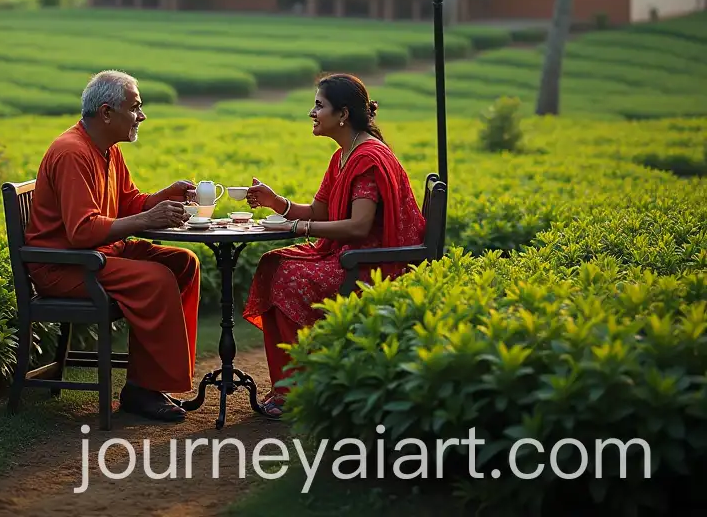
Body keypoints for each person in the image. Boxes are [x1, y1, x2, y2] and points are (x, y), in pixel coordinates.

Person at [243, 73, 426, 419]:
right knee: (273, 264)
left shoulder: (367, 158)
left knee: (286, 276)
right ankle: (294, 385)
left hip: (369, 264)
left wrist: (300, 227)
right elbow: (319, 211)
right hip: (345, 255)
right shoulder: (343, 155)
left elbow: (358, 227)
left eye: (318, 105)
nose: (312, 112)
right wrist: (275, 202)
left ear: (342, 114)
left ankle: (301, 390)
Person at [25, 70, 200, 422]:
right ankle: (141, 390)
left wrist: (162, 198)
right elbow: (81, 231)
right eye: (136, 107)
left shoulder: (107, 149)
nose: (142, 115)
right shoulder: (73, 152)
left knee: (184, 263)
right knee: (157, 279)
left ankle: (153, 380)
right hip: (65, 266)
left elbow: (128, 202)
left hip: (96, 256)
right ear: (106, 113)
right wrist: (146, 221)